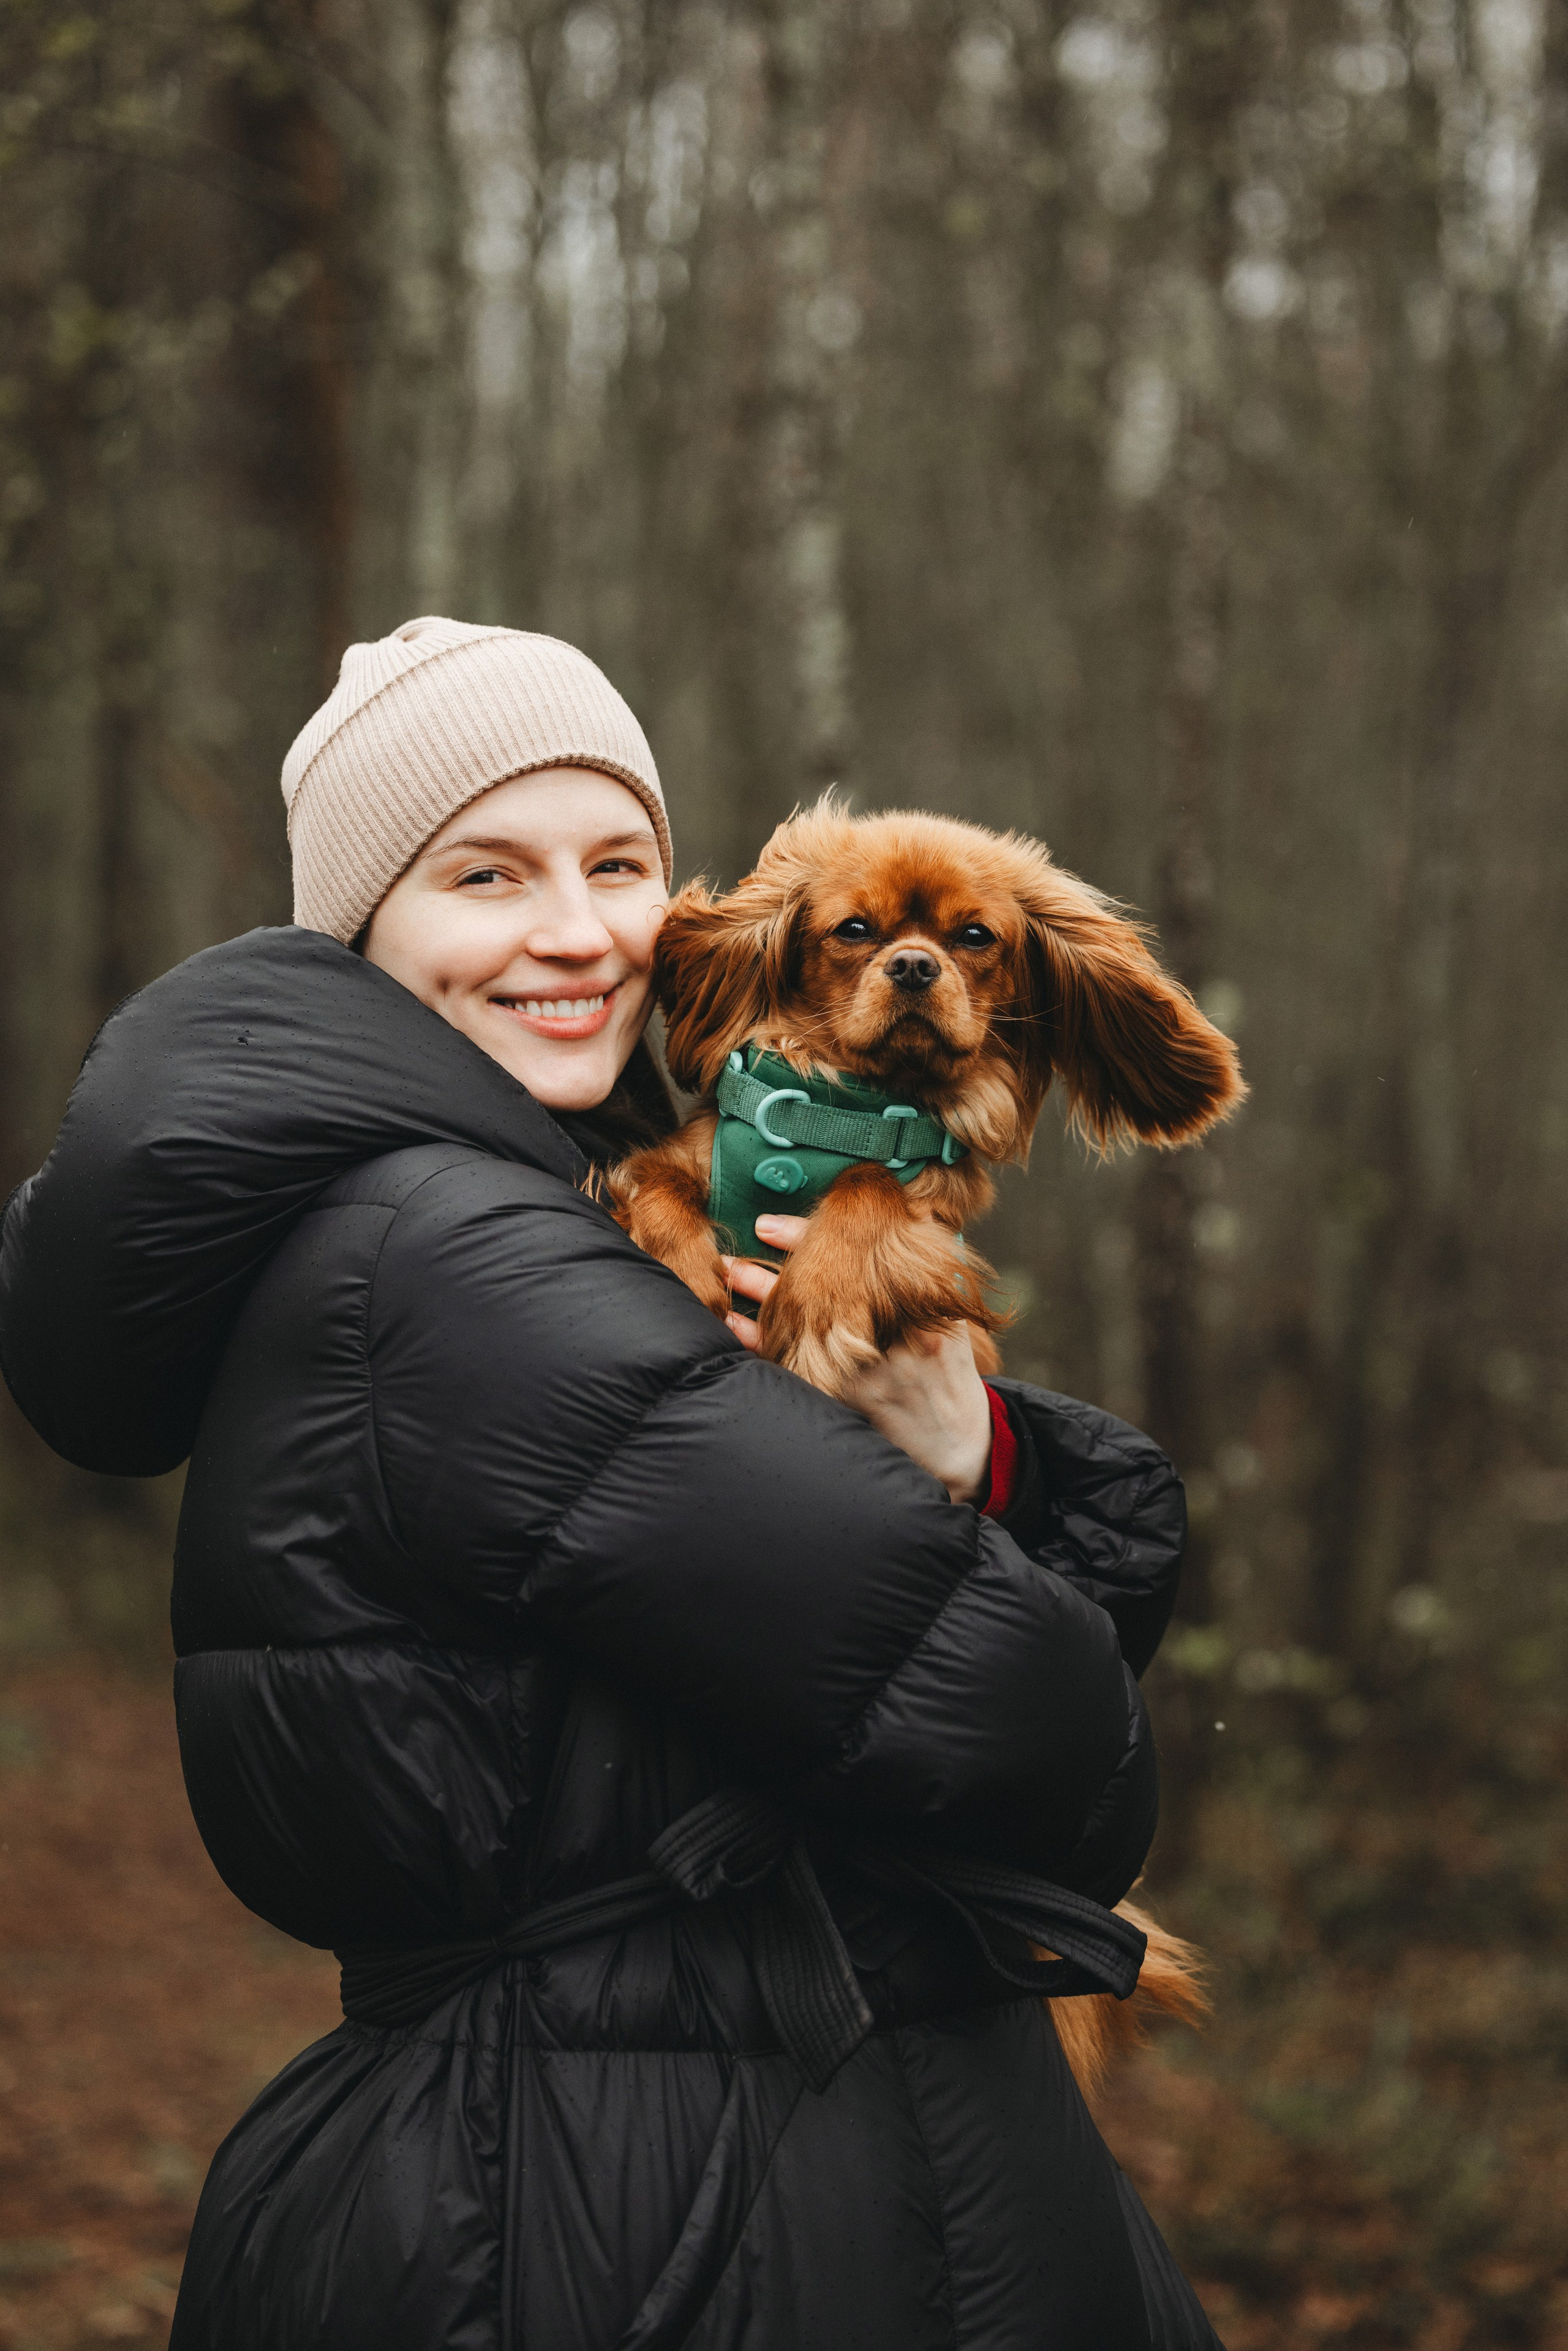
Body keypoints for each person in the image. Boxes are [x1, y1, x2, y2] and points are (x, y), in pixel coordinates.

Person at [0, 617, 1221, 2349]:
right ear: (358, 935)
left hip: (669, 2142)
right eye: (485, 876)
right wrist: (993, 1481)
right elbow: (1049, 1750)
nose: (574, 931)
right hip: (651, 2209)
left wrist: (992, 1450)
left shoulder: (539, 1193)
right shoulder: (455, 1251)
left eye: (619, 862)